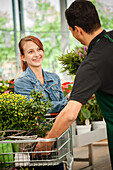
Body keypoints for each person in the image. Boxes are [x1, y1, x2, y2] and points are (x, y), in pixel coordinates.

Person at [34, 0, 113, 169]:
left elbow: (70, 114)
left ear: (77, 30)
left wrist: (47, 142)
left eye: (70, 30)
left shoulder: (91, 64)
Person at [14, 35, 69, 170]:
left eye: (39, 49)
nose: (37, 54)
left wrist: (66, 103)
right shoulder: (21, 82)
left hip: (58, 138)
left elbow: (60, 109)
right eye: (30, 52)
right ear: (23, 57)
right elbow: (35, 109)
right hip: (37, 141)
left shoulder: (54, 78)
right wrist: (67, 102)